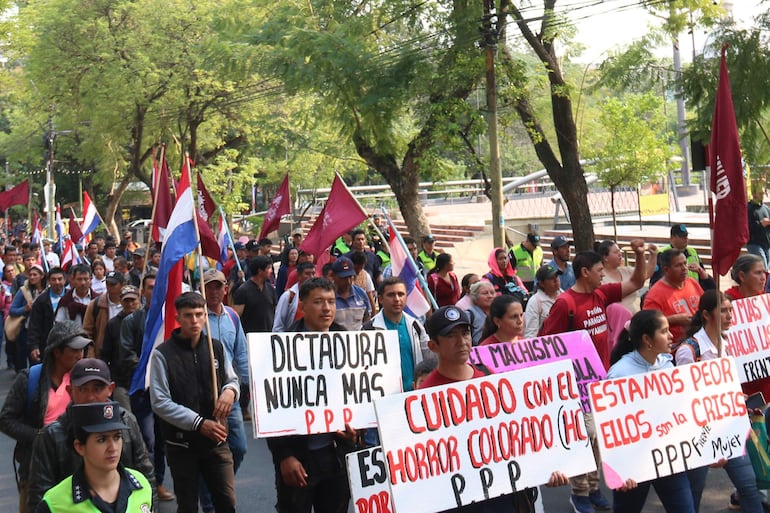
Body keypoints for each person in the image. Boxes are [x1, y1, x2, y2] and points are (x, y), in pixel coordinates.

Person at [419, 305, 569, 512]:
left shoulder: (488, 377)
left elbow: (517, 435)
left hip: (502, 496)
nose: (462, 342)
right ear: (433, 345)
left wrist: (545, 469)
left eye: (465, 333)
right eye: (451, 336)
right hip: (458, 500)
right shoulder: (425, 393)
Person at [541, 241, 651, 513]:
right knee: (586, 435)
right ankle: (578, 493)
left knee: (597, 437)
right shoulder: (564, 303)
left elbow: (637, 281)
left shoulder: (601, 294)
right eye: (599, 270)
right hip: (576, 385)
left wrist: (639, 254)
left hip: (601, 381)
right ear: (584, 272)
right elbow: (547, 344)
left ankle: (592, 487)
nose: (604, 274)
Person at [266, 277, 354, 513]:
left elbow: (358, 395)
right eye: (318, 302)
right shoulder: (281, 348)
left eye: (331, 302)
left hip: (335, 455)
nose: (327, 308)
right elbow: (271, 407)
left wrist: (357, 429)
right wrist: (284, 456)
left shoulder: (349, 343)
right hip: (298, 456)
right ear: (302, 307)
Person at [675, 290, 766, 513]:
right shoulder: (689, 351)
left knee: (748, 485)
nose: (729, 315)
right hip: (699, 432)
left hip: (729, 427)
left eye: (730, 310)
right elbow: (683, 397)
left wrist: (738, 397)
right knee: (694, 491)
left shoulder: (725, 343)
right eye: (723, 311)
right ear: (707, 314)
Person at [150, 292, 239, 513]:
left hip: (217, 441)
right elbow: (160, 401)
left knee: (227, 502)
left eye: (199, 314)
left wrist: (230, 392)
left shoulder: (215, 347)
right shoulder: (163, 354)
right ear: (178, 318)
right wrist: (198, 423)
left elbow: (232, 379)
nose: (195, 320)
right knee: (188, 505)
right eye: (188, 315)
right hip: (182, 445)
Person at [27, 358, 156, 511]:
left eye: (97, 388)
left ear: (110, 389)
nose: (90, 397)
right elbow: (39, 494)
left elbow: (146, 475)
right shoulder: (51, 435)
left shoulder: (127, 421)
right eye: (83, 389)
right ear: (70, 391)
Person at [607, 310, 697, 513]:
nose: (671, 335)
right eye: (664, 331)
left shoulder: (667, 365)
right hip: (633, 467)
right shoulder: (619, 374)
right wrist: (619, 471)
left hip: (669, 459)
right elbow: (611, 429)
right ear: (647, 339)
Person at [0, 321, 91, 513]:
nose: (80, 355)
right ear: (56, 352)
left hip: (78, 467)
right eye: (74, 349)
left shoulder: (86, 380)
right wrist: (39, 436)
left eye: (83, 349)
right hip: (36, 468)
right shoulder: (29, 379)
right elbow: (6, 420)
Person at [35, 401, 152, 513]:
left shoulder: (141, 484)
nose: (113, 448)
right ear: (80, 447)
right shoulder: (55, 503)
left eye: (117, 437)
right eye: (102, 440)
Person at [199, 269, 249, 513]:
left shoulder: (232, 317)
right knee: (209, 451)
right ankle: (209, 501)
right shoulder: (198, 318)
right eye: (209, 286)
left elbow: (241, 352)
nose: (214, 291)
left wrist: (248, 385)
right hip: (204, 396)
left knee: (238, 447)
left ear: (225, 288)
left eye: (218, 286)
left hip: (231, 395)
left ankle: (220, 481)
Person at [362, 277, 430, 392]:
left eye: (401, 294)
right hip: (385, 398)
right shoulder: (369, 329)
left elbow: (429, 357)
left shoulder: (416, 326)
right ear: (380, 299)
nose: (397, 299)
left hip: (414, 395)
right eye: (391, 295)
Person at [642, 249, 704, 344]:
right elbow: (648, 324)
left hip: (700, 341)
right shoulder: (655, 294)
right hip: (673, 349)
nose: (684, 268)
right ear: (666, 269)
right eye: (678, 265)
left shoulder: (692, 283)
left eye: (685, 263)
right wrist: (672, 320)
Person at [100, 285, 141, 411]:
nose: (130, 304)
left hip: (141, 378)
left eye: (132, 300)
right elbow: (106, 352)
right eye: (126, 301)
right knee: (126, 416)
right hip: (121, 380)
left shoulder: (145, 320)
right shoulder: (113, 324)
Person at [596, 240, 657, 314]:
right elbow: (637, 283)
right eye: (616, 252)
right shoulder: (600, 277)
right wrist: (639, 254)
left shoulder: (626, 270)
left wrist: (653, 255)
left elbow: (645, 275)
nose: (620, 254)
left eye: (619, 251)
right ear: (605, 257)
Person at [650, 224, 713, 288]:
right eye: (681, 236)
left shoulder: (692, 251)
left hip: (694, 292)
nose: (685, 239)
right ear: (672, 238)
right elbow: (655, 281)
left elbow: (703, 275)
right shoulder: (662, 254)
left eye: (686, 236)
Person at [8, 264, 45, 370]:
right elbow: (12, 310)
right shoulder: (24, 291)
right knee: (28, 362)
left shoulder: (48, 290)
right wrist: (25, 309)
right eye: (30, 275)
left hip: (44, 331)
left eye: (35, 275)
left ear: (42, 276)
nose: (32, 277)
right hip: (27, 331)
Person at [27, 267, 68, 363]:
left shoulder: (71, 297)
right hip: (47, 344)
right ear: (49, 281)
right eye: (53, 279)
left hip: (68, 343)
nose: (57, 282)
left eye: (59, 279)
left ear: (65, 280)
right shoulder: (41, 301)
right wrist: (34, 346)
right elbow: (34, 325)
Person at [83, 270, 124, 358]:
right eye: (107, 284)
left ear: (122, 285)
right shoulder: (95, 305)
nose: (109, 287)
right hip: (102, 354)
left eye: (113, 284)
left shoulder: (130, 304)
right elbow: (87, 332)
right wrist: (91, 355)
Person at [232, 255, 277, 333]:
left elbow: (275, 311)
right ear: (260, 271)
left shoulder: (270, 289)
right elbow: (236, 317)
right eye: (268, 268)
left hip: (268, 337)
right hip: (250, 338)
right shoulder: (243, 291)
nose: (271, 271)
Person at [331, 256, 371, 330]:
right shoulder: (328, 296)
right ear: (333, 276)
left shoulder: (361, 294)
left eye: (350, 277)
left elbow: (367, 317)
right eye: (343, 278)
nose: (348, 282)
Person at [273, 262, 316, 332]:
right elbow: (278, 325)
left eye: (313, 274)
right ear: (299, 276)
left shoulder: (317, 296)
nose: (311, 277)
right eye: (307, 274)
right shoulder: (288, 296)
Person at [524, 264, 563, 339]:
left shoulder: (564, 295)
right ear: (541, 283)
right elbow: (531, 334)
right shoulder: (535, 302)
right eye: (551, 278)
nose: (556, 280)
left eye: (557, 276)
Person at [746, 185, 770, 273]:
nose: (762, 195)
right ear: (754, 194)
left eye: (763, 193)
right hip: (754, 243)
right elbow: (747, 226)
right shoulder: (748, 208)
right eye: (760, 193)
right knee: (763, 266)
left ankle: (764, 286)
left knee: (766, 268)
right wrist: (760, 224)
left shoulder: (766, 208)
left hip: (766, 243)